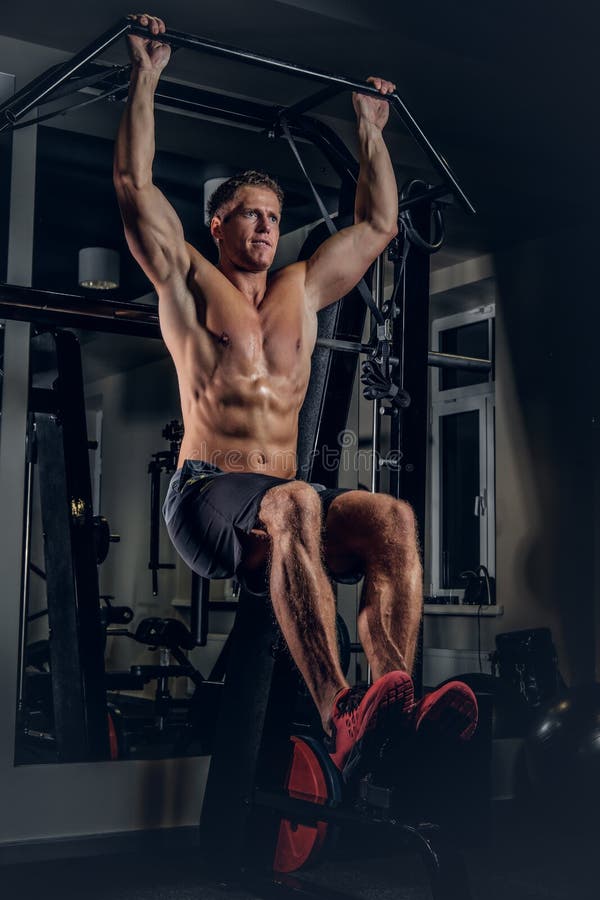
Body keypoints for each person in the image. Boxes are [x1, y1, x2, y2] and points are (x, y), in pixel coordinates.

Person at [114, 13, 477, 781]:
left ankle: (392, 703)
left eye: (274, 218)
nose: (266, 227)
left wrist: (372, 129)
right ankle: (340, 711)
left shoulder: (301, 290)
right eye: (250, 213)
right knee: (298, 504)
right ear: (217, 221)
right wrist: (146, 76)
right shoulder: (187, 279)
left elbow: (379, 223)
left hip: (280, 497)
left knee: (391, 518)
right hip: (206, 494)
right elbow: (133, 185)